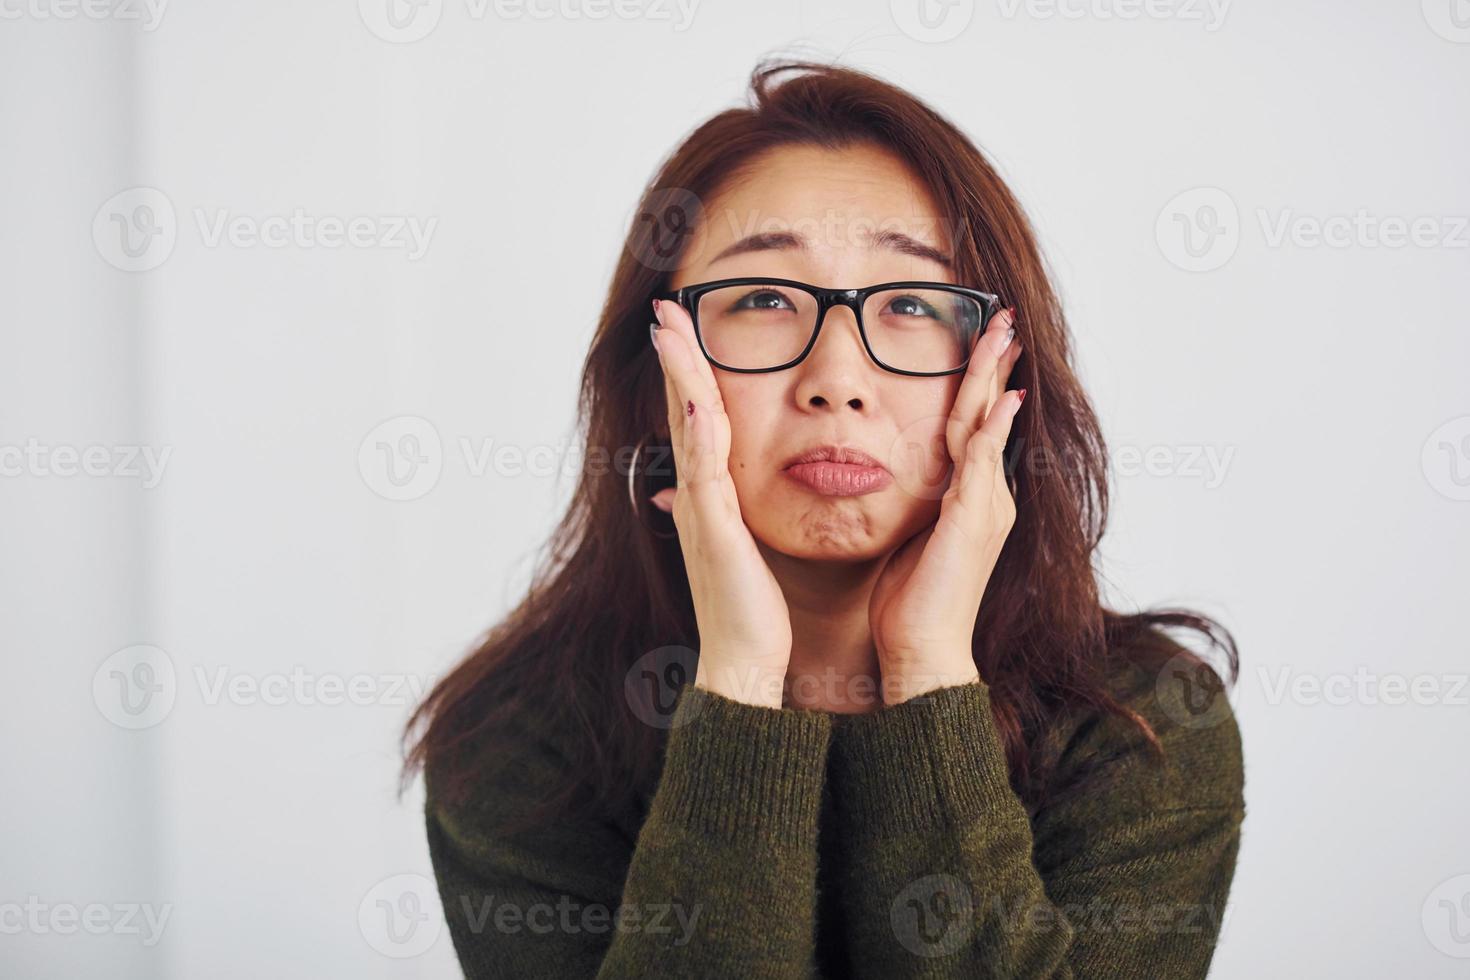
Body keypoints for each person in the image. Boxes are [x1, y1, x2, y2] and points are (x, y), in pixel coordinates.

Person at [402, 58, 1245, 978]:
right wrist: (739, 690)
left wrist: (926, 677)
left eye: (913, 303)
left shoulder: (1147, 722)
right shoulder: (518, 744)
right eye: (763, 298)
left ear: (1001, 378)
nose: (837, 382)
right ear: (657, 381)